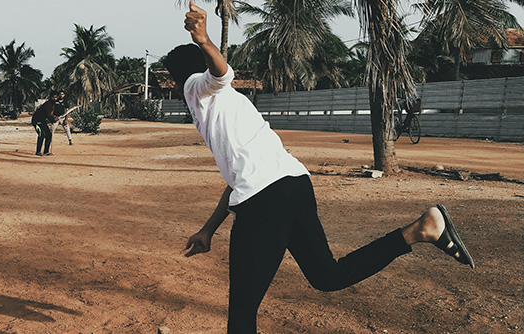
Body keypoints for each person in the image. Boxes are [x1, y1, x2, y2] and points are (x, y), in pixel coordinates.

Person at [172, 2, 475, 333]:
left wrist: (203, 41)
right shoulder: (229, 107)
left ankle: (421, 230)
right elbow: (236, 181)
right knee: (327, 276)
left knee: (242, 315)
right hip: (294, 185)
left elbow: (221, 72)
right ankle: (421, 229)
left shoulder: (197, 90)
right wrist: (208, 229)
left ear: (179, 81)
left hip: (264, 201)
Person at [31, 92, 59, 156]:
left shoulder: (53, 104)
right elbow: (49, 114)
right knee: (41, 135)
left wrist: (54, 118)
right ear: (51, 97)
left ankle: (46, 151)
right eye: (53, 97)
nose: (55, 98)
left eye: (56, 97)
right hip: (36, 120)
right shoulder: (48, 104)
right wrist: (53, 120)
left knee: (49, 135)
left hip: (42, 120)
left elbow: (51, 114)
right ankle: (38, 151)